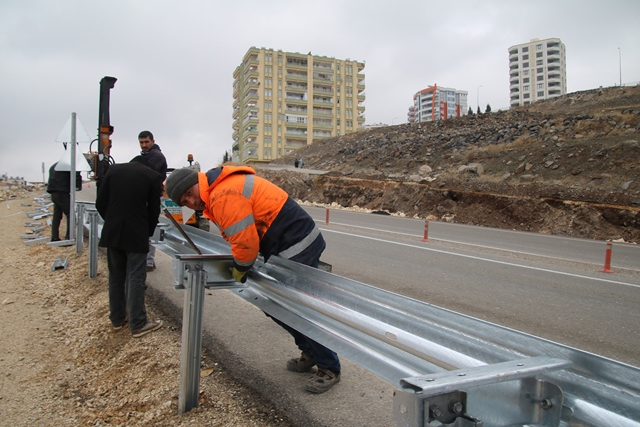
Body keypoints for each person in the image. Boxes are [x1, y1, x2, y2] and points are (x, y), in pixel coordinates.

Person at [165, 165, 341, 393]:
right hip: (285, 242)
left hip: (296, 243)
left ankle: (329, 367)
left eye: (190, 192)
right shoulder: (216, 190)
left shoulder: (221, 194)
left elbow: (245, 244)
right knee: (273, 306)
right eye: (185, 201)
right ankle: (311, 351)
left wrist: (240, 268)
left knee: (299, 308)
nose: (191, 201)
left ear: (198, 180)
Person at [96, 161, 164, 338]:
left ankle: (117, 319)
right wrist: (146, 231)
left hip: (112, 232)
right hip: (136, 233)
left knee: (116, 275)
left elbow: (100, 203)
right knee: (136, 276)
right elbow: (154, 211)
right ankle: (138, 323)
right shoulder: (152, 176)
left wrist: (112, 220)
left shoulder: (113, 171)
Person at [133, 130, 167, 272]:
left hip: (151, 197)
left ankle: (148, 261)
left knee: (149, 228)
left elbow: (142, 173)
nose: (144, 145)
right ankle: (145, 260)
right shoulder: (146, 156)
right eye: (141, 142)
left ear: (153, 141)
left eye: (146, 142)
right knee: (144, 228)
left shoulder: (156, 156)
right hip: (144, 196)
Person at [47, 162, 81, 241]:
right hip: (62, 192)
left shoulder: (54, 165)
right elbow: (75, 177)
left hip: (53, 192)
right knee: (70, 214)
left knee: (57, 215)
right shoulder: (68, 166)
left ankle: (54, 237)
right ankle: (69, 236)